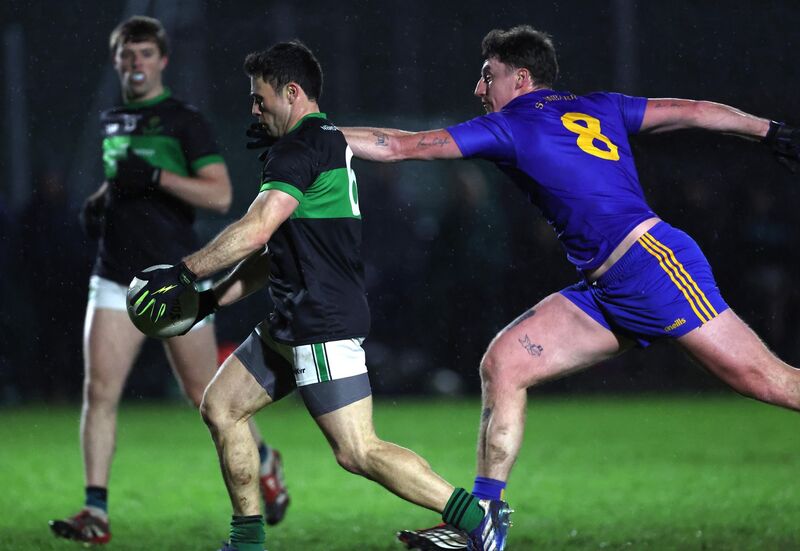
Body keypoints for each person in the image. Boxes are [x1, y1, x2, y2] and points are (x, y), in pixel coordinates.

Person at [340, 25, 800, 551]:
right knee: (504, 363)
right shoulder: (598, 105)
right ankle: (484, 525)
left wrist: (317, 135)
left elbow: (401, 146)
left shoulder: (512, 124)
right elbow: (690, 110)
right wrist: (768, 130)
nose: (478, 89)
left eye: (487, 76)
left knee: (769, 383)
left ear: (521, 77)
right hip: (607, 288)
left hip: (654, 267)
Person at [128, 40, 504, 551]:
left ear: (292, 92)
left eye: (261, 100)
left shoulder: (299, 148)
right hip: (293, 317)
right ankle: (247, 543)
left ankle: (477, 521)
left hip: (322, 322)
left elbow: (256, 229)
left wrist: (183, 273)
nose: (253, 110)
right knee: (221, 407)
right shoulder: (322, 141)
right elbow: (273, 255)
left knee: (357, 451)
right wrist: (211, 301)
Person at [48, 16, 289, 545]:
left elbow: (220, 195)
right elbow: (123, 184)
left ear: (162, 62)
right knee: (99, 390)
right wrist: (102, 200)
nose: (135, 64)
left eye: (144, 54)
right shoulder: (113, 119)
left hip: (173, 280)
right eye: (127, 55)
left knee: (204, 397)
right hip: (113, 276)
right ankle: (95, 512)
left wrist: (157, 176)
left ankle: (265, 459)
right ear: (117, 62)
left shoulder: (184, 121)